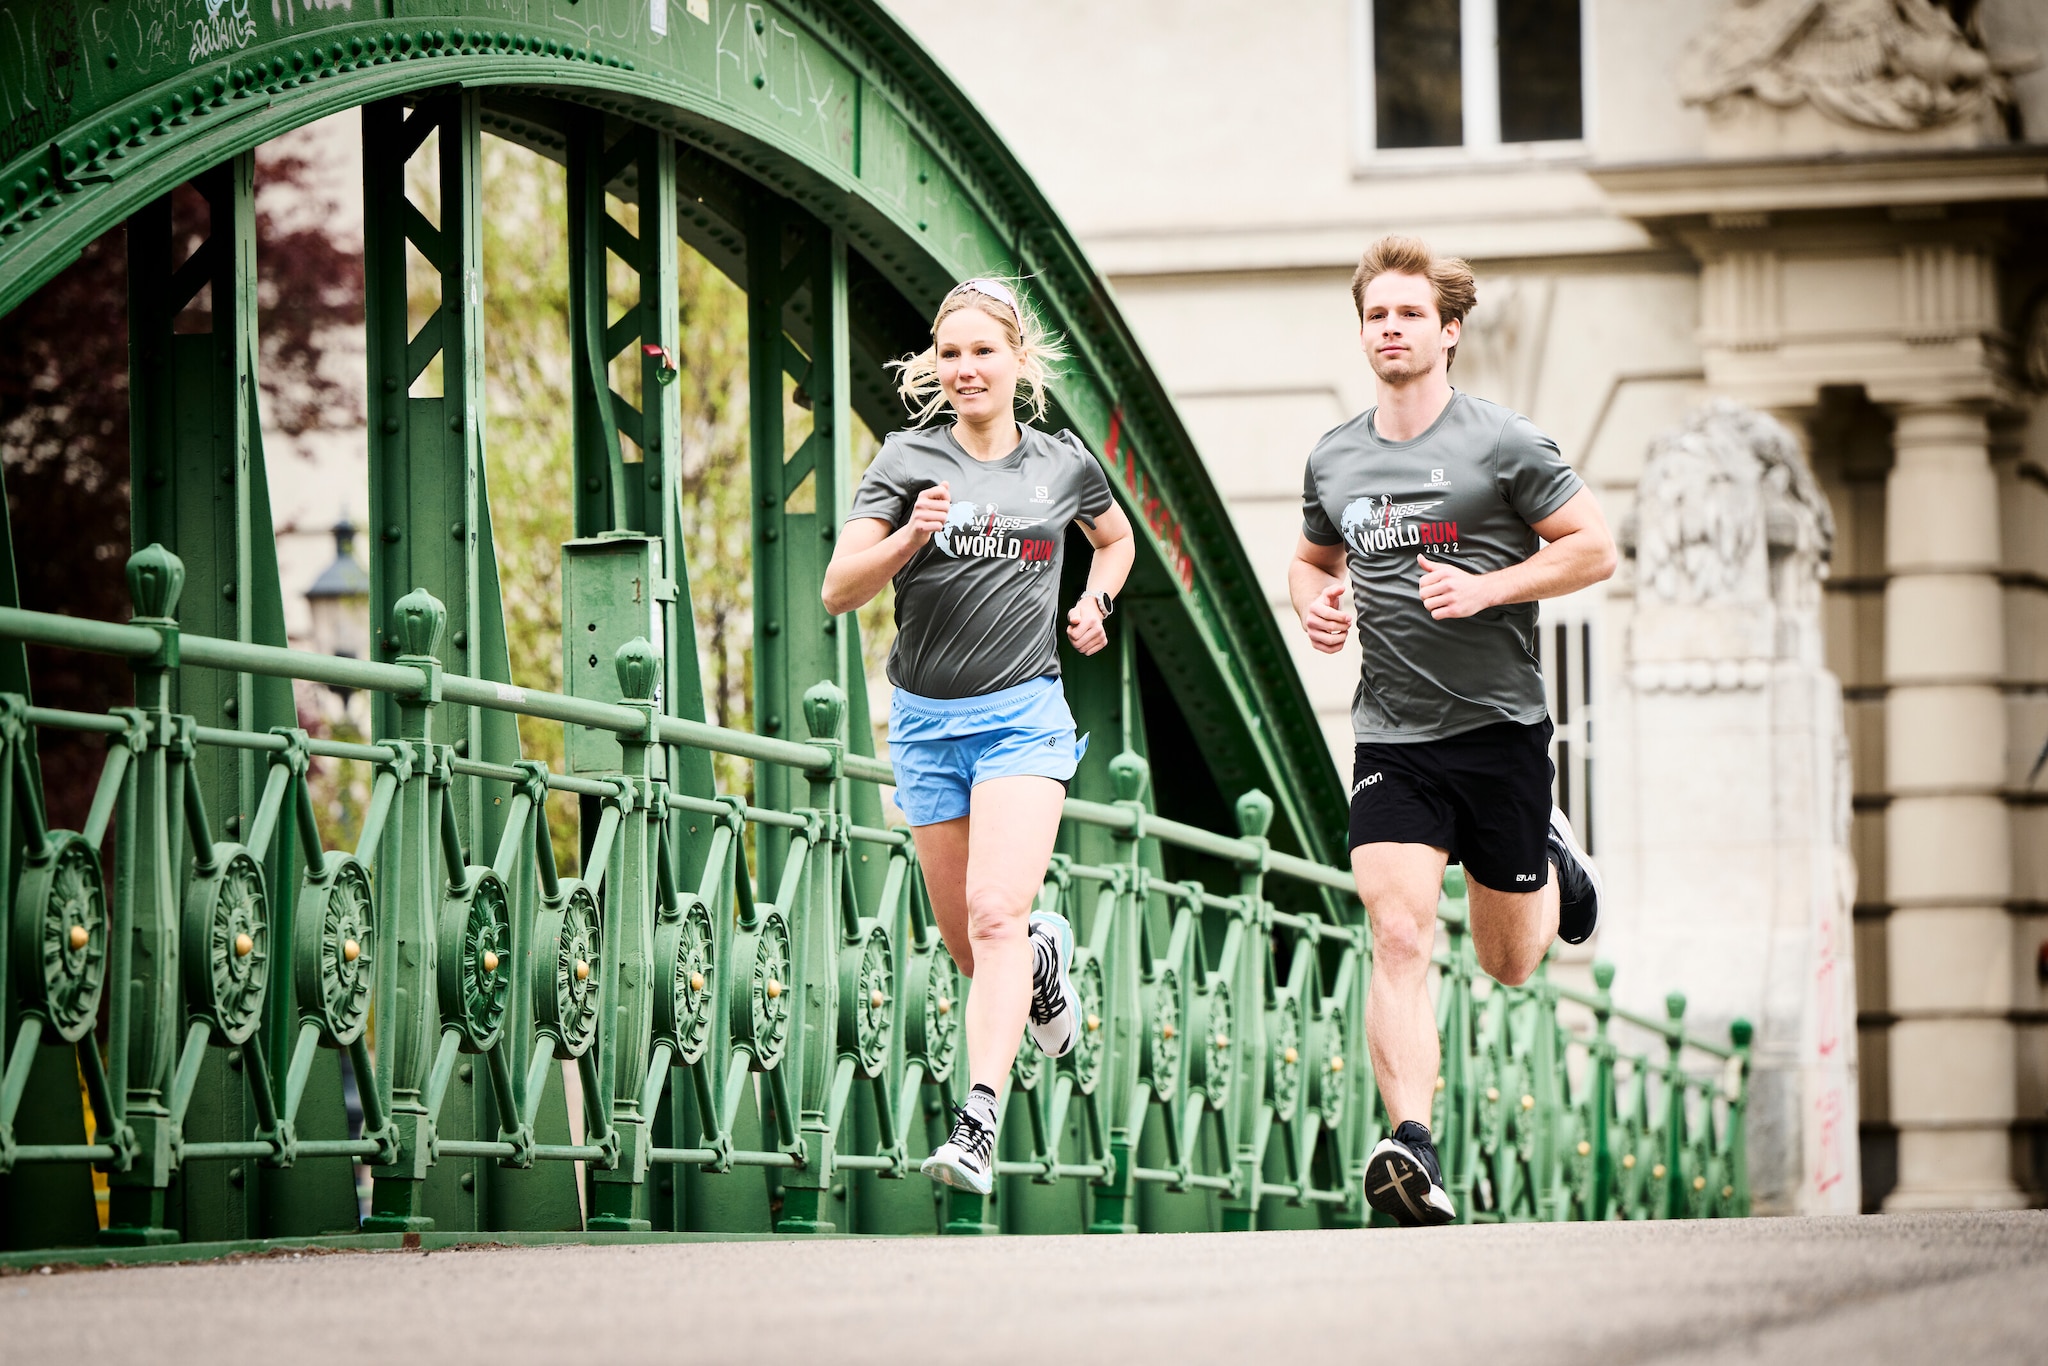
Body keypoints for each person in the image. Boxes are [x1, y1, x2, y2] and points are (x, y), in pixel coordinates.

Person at [1288, 237, 1616, 1227]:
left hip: (1499, 732)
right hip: (1392, 734)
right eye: (1374, 315)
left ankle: (1549, 855)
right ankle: (1411, 1147)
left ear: (1446, 330)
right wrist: (1313, 604)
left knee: (1510, 963)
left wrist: (1489, 587)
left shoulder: (1504, 443)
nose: (1388, 328)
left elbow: (1594, 547)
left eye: (1406, 314)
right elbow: (1307, 560)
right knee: (1395, 929)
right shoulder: (1334, 455)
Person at [821, 278, 1136, 1196]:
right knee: (971, 945)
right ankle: (1042, 962)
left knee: (995, 915)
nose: (966, 368)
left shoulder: (1062, 464)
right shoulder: (906, 460)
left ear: (1017, 361)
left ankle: (978, 1123)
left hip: (1024, 717)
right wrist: (907, 540)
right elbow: (841, 589)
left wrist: (1094, 599)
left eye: (982, 352)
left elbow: (1113, 542)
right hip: (925, 724)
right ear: (935, 364)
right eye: (950, 354)